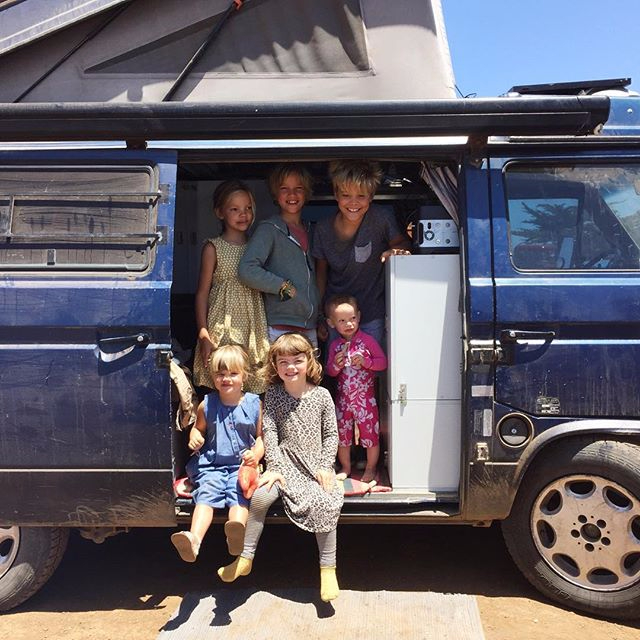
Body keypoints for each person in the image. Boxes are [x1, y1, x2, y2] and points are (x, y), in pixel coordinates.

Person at [217, 333, 343, 603]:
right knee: (260, 497)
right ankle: (245, 558)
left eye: (297, 360)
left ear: (309, 361)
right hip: (283, 462)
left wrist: (325, 466)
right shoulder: (274, 394)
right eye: (283, 361)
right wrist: (273, 467)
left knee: (325, 499)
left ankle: (328, 568)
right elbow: (270, 432)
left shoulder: (322, 395)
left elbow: (331, 434)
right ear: (275, 365)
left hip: (314, 464)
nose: (290, 367)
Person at [171, 345, 263, 562]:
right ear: (213, 377)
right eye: (220, 374)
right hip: (211, 464)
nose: (226, 379)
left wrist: (256, 455)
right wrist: (195, 437)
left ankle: (236, 532)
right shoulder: (207, 404)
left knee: (239, 493)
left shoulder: (254, 403)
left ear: (244, 376)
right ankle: (194, 540)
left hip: (241, 466)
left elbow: (261, 437)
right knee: (206, 494)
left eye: (233, 373)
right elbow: (198, 429)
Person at [313, 160, 411, 346]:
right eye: (346, 195)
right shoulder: (323, 228)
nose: (353, 202)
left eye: (361, 195)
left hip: (372, 312)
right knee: (337, 362)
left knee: (372, 361)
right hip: (335, 315)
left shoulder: (381, 218)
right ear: (336, 194)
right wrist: (319, 316)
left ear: (371, 196)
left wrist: (399, 251)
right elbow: (321, 275)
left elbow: (402, 243)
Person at [193, 180, 270, 394]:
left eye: (248, 208)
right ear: (220, 212)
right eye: (234, 209)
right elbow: (202, 294)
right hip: (222, 326)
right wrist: (203, 334)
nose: (243, 214)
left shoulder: (257, 246)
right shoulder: (213, 247)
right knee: (224, 377)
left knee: (251, 383)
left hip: (253, 326)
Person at [238, 164, 320, 346]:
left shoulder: (311, 230)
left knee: (310, 367)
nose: (292, 195)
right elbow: (247, 269)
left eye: (298, 188)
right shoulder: (269, 228)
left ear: (307, 193)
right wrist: (283, 286)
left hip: (310, 325)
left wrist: (320, 316)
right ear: (275, 194)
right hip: (280, 325)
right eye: (284, 189)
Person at [325, 294, 387, 482]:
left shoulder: (367, 341)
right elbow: (330, 372)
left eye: (352, 318)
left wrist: (368, 362)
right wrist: (336, 365)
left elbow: (383, 363)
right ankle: (345, 467)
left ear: (359, 317)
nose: (349, 324)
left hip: (365, 400)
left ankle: (371, 468)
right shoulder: (335, 345)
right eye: (342, 321)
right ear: (331, 323)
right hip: (343, 401)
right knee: (343, 436)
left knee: (370, 434)